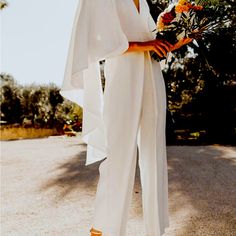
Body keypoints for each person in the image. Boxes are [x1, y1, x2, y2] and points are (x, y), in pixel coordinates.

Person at [60, 0, 192, 235]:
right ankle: (103, 229)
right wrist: (145, 45)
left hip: (151, 74)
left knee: (154, 153)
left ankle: (155, 229)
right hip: (122, 76)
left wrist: (181, 34)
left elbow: (156, 41)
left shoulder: (141, 1)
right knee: (119, 154)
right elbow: (95, 42)